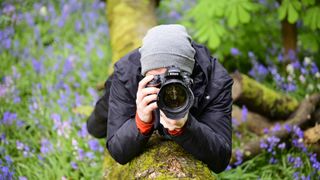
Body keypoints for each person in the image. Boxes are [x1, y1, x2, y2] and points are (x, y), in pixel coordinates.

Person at [87, 24, 233, 173]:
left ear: (190, 76)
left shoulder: (216, 82)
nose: (166, 88)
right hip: (129, 86)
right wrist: (141, 122)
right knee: (95, 124)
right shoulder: (127, 73)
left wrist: (186, 127)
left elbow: (221, 159)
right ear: (144, 74)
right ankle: (92, 125)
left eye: (172, 79)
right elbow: (118, 151)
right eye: (156, 78)